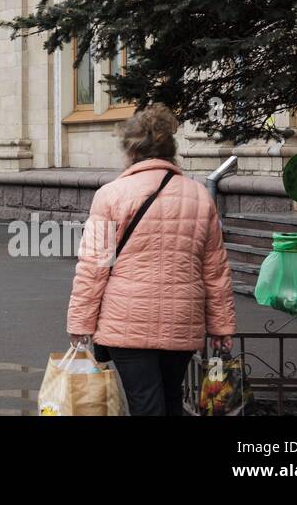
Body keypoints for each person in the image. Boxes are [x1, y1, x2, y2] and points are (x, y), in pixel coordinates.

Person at [66, 104, 237, 416]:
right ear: (170, 150)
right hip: (183, 320)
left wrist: (81, 323)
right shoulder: (199, 195)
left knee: (144, 402)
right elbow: (215, 269)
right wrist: (221, 326)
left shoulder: (112, 194)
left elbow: (94, 267)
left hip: (126, 320)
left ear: (131, 152)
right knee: (171, 399)